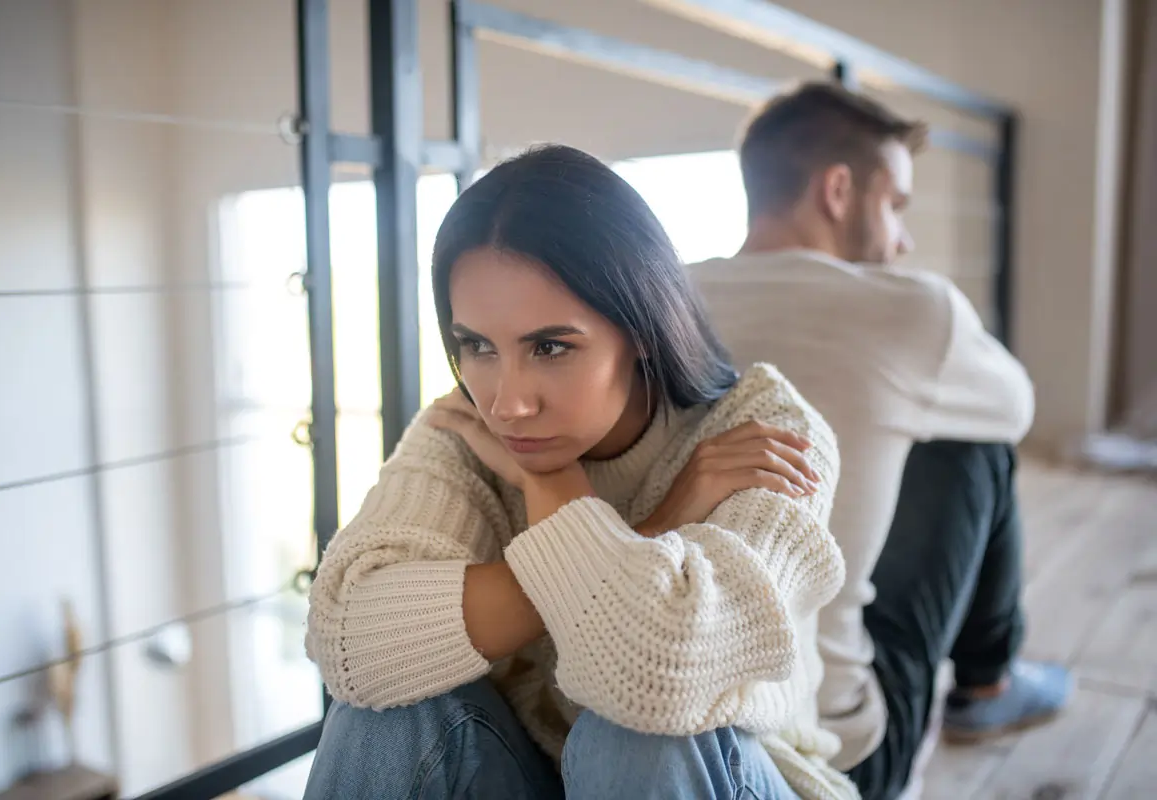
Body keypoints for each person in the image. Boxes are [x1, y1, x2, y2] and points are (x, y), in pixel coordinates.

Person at [302, 144, 859, 799]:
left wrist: (548, 484)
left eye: (550, 347)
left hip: (721, 776)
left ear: (642, 327)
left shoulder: (765, 433)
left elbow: (654, 671)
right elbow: (348, 639)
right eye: (477, 346)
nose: (508, 403)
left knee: (634, 733)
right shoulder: (465, 431)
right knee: (386, 711)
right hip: (534, 775)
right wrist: (649, 522)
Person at [688, 83, 1073, 800]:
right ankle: (988, 686)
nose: (903, 239)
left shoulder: (663, 296)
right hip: (838, 754)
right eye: (895, 204)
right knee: (974, 446)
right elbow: (1014, 408)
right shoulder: (910, 307)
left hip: (680, 711)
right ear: (838, 190)